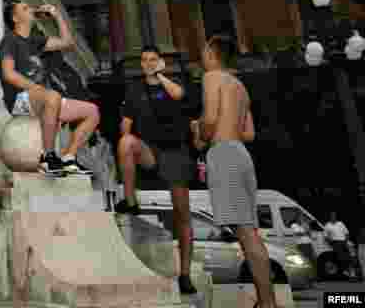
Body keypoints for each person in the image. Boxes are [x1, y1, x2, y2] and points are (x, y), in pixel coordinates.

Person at [191, 35, 275, 308]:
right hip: (241, 155)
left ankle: (267, 303)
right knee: (249, 231)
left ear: (214, 55)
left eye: (204, 51)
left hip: (224, 154)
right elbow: (248, 132)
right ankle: (266, 301)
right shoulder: (241, 87)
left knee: (246, 234)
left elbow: (211, 120)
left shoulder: (212, 77)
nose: (202, 56)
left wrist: (199, 131)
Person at [115, 45, 198, 296]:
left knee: (182, 214)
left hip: (176, 153)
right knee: (125, 142)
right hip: (150, 151)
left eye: (153, 60)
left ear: (160, 62)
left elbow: (179, 95)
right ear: (140, 64)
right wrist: (126, 152)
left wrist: (161, 75)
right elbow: (126, 126)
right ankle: (131, 201)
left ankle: (185, 274)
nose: (148, 63)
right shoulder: (134, 90)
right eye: (144, 60)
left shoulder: (173, 82)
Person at [0, 0, 98, 175]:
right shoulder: (10, 40)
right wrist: (34, 88)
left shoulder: (35, 41)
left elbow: (67, 42)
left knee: (91, 111)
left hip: (43, 99)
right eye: (25, 8)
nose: (30, 9)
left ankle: (69, 157)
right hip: (19, 99)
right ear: (15, 18)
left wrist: (56, 15)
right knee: (52, 96)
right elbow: (9, 74)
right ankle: (48, 157)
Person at [324, 211, 355, 277]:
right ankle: (346, 271)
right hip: (335, 242)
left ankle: (349, 271)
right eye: (332, 216)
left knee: (349, 256)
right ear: (330, 217)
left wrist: (346, 241)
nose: (333, 217)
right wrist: (331, 243)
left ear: (336, 216)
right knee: (341, 257)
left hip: (344, 242)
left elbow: (346, 233)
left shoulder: (340, 223)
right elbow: (325, 236)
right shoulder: (327, 225)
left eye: (334, 215)